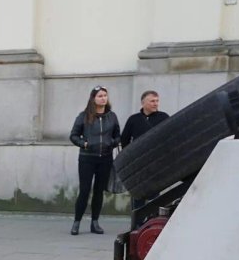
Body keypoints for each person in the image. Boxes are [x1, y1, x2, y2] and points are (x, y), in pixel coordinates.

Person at [69, 85, 121, 235]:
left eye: (105, 95)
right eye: (100, 96)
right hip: (87, 159)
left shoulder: (112, 116)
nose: (103, 98)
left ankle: (95, 222)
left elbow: (117, 136)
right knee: (84, 191)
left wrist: (110, 143)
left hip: (105, 159)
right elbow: (73, 136)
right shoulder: (83, 116)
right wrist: (84, 144)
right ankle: (76, 222)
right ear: (93, 99)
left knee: (99, 191)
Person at [120, 90, 171, 211]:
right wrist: (129, 158)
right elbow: (124, 140)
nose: (155, 103)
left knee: (154, 195)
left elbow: (169, 137)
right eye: (152, 101)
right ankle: (137, 224)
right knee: (138, 195)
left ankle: (151, 220)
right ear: (143, 103)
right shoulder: (134, 119)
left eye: (157, 101)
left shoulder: (163, 117)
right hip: (138, 164)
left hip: (156, 163)